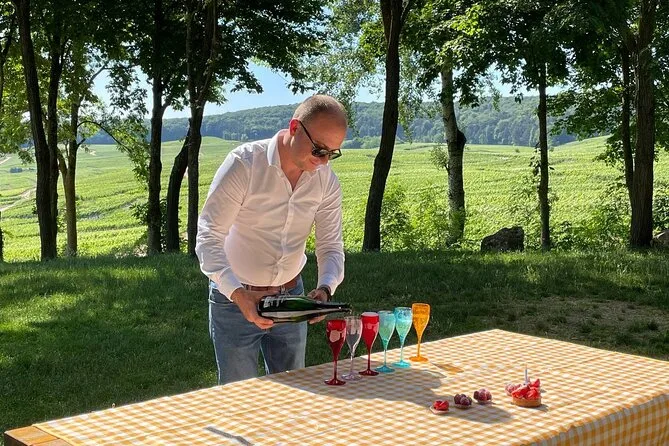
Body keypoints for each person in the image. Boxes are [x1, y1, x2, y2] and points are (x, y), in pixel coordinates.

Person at [195, 95, 347, 385]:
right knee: (238, 397)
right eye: (318, 150)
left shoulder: (326, 180)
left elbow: (330, 245)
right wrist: (238, 295)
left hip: (291, 297)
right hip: (234, 298)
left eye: (332, 154)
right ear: (294, 128)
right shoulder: (244, 164)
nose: (323, 161)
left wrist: (325, 288)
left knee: (294, 395)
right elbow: (208, 237)